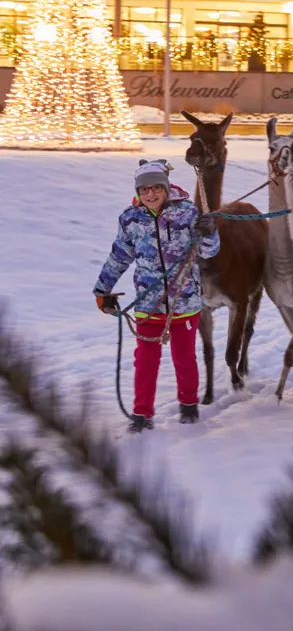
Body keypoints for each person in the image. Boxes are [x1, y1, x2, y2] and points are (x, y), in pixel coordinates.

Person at [93, 159, 219, 433]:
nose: (150, 194)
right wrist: (102, 289)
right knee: (145, 361)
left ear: (166, 187)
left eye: (156, 188)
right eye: (144, 189)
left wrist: (209, 233)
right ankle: (141, 414)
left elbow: (208, 252)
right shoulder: (131, 219)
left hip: (184, 301)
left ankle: (188, 405)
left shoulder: (187, 213)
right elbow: (119, 256)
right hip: (148, 305)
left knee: (184, 358)